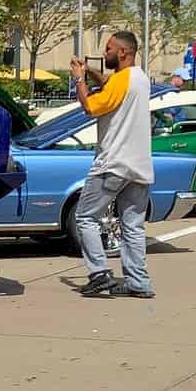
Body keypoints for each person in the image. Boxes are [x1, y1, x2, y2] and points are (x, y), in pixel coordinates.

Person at [68, 30, 154, 298]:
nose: (105, 53)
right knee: (133, 226)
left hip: (113, 163)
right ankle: (138, 283)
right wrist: (91, 72)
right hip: (139, 166)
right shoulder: (139, 78)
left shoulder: (122, 80)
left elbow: (90, 107)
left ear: (123, 52)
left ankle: (99, 274)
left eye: (108, 49)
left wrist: (79, 79)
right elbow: (109, 83)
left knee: (85, 217)